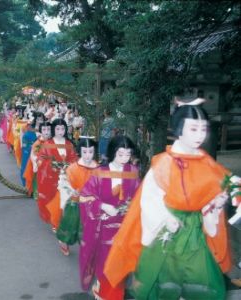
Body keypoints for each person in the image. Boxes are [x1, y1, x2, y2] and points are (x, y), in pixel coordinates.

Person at [102, 98, 241, 300]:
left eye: (203, 129)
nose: (200, 134)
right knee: (166, 283)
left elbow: (222, 185)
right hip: (168, 233)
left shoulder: (206, 161)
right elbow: (149, 200)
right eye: (193, 129)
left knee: (200, 282)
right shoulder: (165, 163)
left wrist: (216, 204)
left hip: (196, 233)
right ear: (179, 130)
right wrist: (166, 217)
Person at [79, 135, 140, 299]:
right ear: (113, 152)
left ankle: (105, 292)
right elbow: (85, 197)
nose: (125, 159)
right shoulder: (100, 172)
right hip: (103, 228)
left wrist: (132, 207)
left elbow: (139, 197)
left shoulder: (133, 172)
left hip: (125, 228)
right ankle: (105, 291)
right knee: (107, 267)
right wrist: (103, 206)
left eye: (128, 154)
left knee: (120, 269)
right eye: (121, 154)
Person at [56, 137, 98, 256]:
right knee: (70, 224)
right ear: (80, 151)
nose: (88, 155)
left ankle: (87, 247)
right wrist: (73, 193)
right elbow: (64, 184)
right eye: (84, 152)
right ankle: (64, 241)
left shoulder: (99, 169)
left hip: (91, 203)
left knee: (88, 228)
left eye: (91, 151)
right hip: (75, 202)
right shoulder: (72, 168)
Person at [37, 118, 78, 229]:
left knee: (65, 201)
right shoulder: (47, 144)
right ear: (53, 130)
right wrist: (52, 165)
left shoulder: (69, 144)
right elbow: (40, 159)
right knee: (54, 201)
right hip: (51, 178)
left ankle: (63, 220)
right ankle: (55, 222)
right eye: (58, 128)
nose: (60, 131)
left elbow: (74, 158)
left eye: (63, 128)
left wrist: (68, 167)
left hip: (67, 177)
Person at [23, 121, 51, 198]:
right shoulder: (38, 143)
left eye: (48, 129)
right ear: (41, 131)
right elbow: (33, 155)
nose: (46, 132)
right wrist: (36, 164)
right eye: (44, 130)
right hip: (38, 164)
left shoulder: (51, 141)